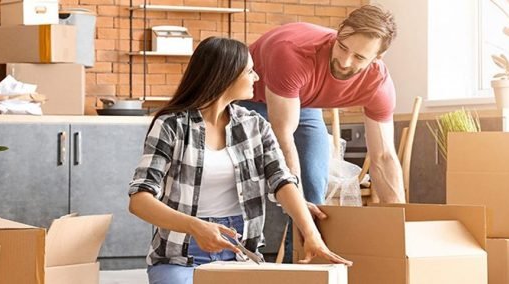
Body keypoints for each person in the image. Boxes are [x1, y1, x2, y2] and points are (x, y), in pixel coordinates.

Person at [128, 37, 352, 284]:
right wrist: (197, 227)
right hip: (180, 257)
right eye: (250, 71)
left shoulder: (254, 125)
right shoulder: (171, 125)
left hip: (241, 256)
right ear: (225, 75)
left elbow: (282, 180)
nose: (256, 77)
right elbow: (140, 200)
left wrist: (311, 234)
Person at [237, 5, 403, 263]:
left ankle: (302, 267)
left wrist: (400, 232)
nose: (345, 62)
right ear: (338, 34)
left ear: (377, 59)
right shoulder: (293, 52)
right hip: (248, 98)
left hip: (302, 103)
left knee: (313, 187)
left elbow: (383, 157)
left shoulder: (378, 84)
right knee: (243, 180)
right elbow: (284, 137)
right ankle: (232, 263)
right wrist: (295, 200)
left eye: (360, 57)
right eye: (343, 47)